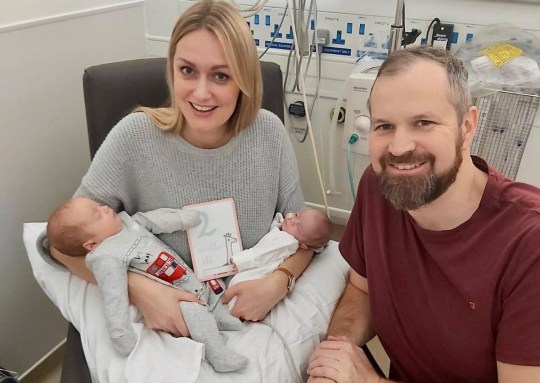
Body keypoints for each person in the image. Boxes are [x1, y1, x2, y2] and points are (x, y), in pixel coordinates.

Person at [43, 0, 313, 350]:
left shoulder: (269, 133)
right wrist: (142, 290)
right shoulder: (134, 138)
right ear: (172, 70)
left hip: (253, 321)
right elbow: (61, 246)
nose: (201, 93)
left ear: (243, 79)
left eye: (221, 75)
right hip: (165, 329)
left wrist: (280, 281)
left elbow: (307, 237)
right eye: (187, 70)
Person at [307, 46, 540, 383]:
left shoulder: (527, 244)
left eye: (423, 122)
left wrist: (367, 381)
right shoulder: (380, 187)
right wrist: (336, 355)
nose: (399, 148)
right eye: (384, 126)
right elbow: (363, 290)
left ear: (467, 126)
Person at [44, 197, 247, 372]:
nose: (105, 208)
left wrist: (183, 219)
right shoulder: (106, 257)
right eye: (97, 216)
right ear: (91, 244)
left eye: (99, 206)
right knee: (196, 313)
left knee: (212, 287)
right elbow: (114, 296)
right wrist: (120, 332)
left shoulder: (128, 223)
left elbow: (153, 220)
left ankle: (220, 317)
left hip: (188, 278)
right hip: (173, 298)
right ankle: (218, 355)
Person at [228, 208, 332, 309]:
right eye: (296, 214)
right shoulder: (288, 231)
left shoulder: (286, 241)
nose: (292, 220)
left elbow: (262, 254)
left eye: (298, 228)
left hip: (257, 270)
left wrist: (239, 260)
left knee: (237, 284)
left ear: (303, 246)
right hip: (258, 266)